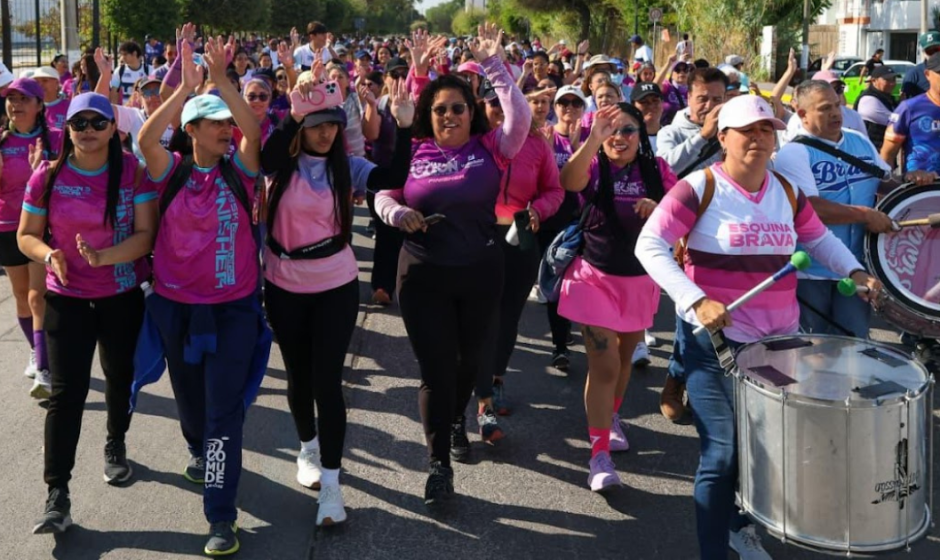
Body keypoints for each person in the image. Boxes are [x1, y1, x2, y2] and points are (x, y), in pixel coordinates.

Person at [635, 94, 883, 560]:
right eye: (747, 130)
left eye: (766, 129)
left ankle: (737, 524)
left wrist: (853, 272)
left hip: (777, 346)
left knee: (761, 452)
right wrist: (696, 299)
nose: (758, 138)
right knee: (722, 453)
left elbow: (818, 239)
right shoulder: (698, 187)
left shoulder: (786, 191)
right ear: (723, 137)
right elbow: (650, 247)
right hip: (715, 346)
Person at [374, 23, 531, 507]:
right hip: (422, 274)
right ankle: (439, 463)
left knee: (467, 363)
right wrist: (397, 213)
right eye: (439, 109)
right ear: (429, 115)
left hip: (481, 272)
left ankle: (458, 414)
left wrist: (494, 67)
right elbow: (381, 191)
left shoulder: (492, 149)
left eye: (458, 108)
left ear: (471, 113)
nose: (448, 116)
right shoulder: (415, 147)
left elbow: (519, 118)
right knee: (435, 371)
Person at [260, 77, 415, 526]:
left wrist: (403, 129)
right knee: (298, 376)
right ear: (302, 127)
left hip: (335, 284)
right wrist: (293, 113)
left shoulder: (349, 167)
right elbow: (268, 155)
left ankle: (331, 483)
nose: (325, 133)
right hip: (285, 283)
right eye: (316, 125)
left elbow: (395, 178)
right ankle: (306, 449)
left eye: (332, 124)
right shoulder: (280, 165)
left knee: (326, 383)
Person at [137, 37, 270, 556]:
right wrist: (186, 89)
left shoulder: (241, 172)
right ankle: (197, 449)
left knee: (222, 413)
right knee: (189, 404)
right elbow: (147, 139)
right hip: (175, 308)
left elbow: (254, 130)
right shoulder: (171, 171)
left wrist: (222, 80)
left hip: (234, 309)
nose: (225, 127)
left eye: (225, 121)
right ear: (190, 130)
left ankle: (220, 515)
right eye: (212, 121)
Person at [19, 93, 157, 535]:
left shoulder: (132, 170)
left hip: (120, 295)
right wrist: (49, 255)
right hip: (67, 297)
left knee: (119, 377)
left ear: (113, 127)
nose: (88, 130)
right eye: (80, 122)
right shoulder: (48, 175)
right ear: (67, 128)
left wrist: (105, 258)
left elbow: (146, 236)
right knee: (66, 393)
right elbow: (26, 235)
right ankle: (57, 494)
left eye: (99, 122)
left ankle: (115, 443)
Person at [560, 102, 676, 491]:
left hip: (640, 281)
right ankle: (599, 456)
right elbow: (569, 182)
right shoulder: (594, 165)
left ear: (641, 135)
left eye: (628, 130)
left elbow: (685, 214)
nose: (619, 137)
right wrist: (592, 139)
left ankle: (609, 418)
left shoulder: (656, 170)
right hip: (593, 277)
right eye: (610, 129)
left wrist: (660, 208)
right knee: (605, 363)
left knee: (625, 359)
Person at [471, 80, 563, 443]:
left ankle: (495, 382)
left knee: (508, 315)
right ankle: (479, 392)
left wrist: (538, 210)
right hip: (479, 236)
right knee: (482, 315)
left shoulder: (538, 144)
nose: (499, 112)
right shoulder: (474, 142)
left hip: (520, 235)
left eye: (507, 106)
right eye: (493, 105)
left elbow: (554, 190)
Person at [773, 79, 899, 339]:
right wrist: (865, 215)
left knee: (854, 343)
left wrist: (915, 185)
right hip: (811, 271)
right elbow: (811, 208)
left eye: (836, 105)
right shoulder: (794, 154)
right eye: (824, 108)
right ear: (802, 114)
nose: (834, 113)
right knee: (812, 348)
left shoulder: (858, 142)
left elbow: (885, 182)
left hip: (857, 267)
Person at [0, 78, 62, 397]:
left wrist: (41, 172)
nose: (15, 105)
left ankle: (45, 369)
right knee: (22, 295)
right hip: (7, 228)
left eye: (23, 99)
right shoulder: (1, 142)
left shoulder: (57, 139)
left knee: (38, 296)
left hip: (43, 229)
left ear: (39, 106)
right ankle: (37, 351)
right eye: (11, 99)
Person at [538, 85, 590, 372]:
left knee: (581, 287)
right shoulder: (544, 136)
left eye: (576, 103)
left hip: (581, 223)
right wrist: (549, 153)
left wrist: (579, 147)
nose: (569, 108)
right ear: (554, 108)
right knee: (555, 286)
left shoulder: (592, 139)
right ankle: (560, 347)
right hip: (550, 224)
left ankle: (577, 334)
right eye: (563, 103)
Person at [93, 48, 172, 162]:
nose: (154, 96)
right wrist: (105, 75)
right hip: (143, 177)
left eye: (157, 91)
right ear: (139, 98)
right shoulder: (134, 116)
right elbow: (99, 108)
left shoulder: (175, 115)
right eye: (147, 92)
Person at [882, 51, 940, 174]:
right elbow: (887, 155)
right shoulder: (909, 108)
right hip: (921, 190)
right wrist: (887, 187)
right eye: (939, 72)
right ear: (927, 74)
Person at [784, 71, 867, 140]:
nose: (835, 113)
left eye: (838, 88)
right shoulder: (796, 120)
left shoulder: (854, 116)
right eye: (825, 108)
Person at [854, 66, 898, 150]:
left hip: (883, 149)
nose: (892, 83)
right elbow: (895, 121)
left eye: (894, 79)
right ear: (874, 81)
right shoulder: (867, 99)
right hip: (870, 151)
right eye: (887, 80)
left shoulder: (887, 97)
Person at [902, 31, 940, 100]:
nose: (934, 54)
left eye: (937, 50)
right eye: (930, 51)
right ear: (924, 53)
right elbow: (907, 102)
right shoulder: (913, 74)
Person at [660, 60, 690, 126]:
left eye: (685, 70)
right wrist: (668, 64)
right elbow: (655, 87)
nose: (682, 72)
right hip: (666, 128)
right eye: (677, 70)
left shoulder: (692, 90)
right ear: (672, 74)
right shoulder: (667, 86)